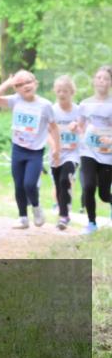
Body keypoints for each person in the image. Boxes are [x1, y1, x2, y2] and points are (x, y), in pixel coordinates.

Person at [0, 70, 60, 229]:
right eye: (20, 84)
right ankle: (22, 218)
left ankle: (36, 207)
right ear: (16, 89)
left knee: (29, 184)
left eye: (28, 82)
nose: (25, 86)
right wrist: (7, 83)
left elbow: (54, 128)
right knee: (18, 185)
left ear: (35, 83)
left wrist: (56, 148)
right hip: (18, 149)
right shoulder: (15, 100)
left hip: (35, 152)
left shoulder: (45, 105)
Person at [78, 65, 112, 234]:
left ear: (110, 83)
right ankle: (91, 223)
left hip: (107, 154)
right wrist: (74, 127)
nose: (102, 81)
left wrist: (109, 140)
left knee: (104, 195)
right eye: (99, 77)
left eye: (106, 78)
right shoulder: (84, 104)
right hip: (88, 151)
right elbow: (80, 126)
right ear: (93, 81)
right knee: (89, 186)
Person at [50, 75, 81, 229]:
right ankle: (63, 210)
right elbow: (47, 133)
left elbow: (87, 129)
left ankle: (64, 216)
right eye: (59, 91)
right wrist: (55, 147)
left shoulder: (78, 110)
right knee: (58, 183)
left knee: (65, 180)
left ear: (71, 93)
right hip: (56, 153)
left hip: (73, 153)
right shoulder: (52, 110)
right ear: (55, 92)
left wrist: (77, 126)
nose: (62, 94)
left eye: (65, 91)